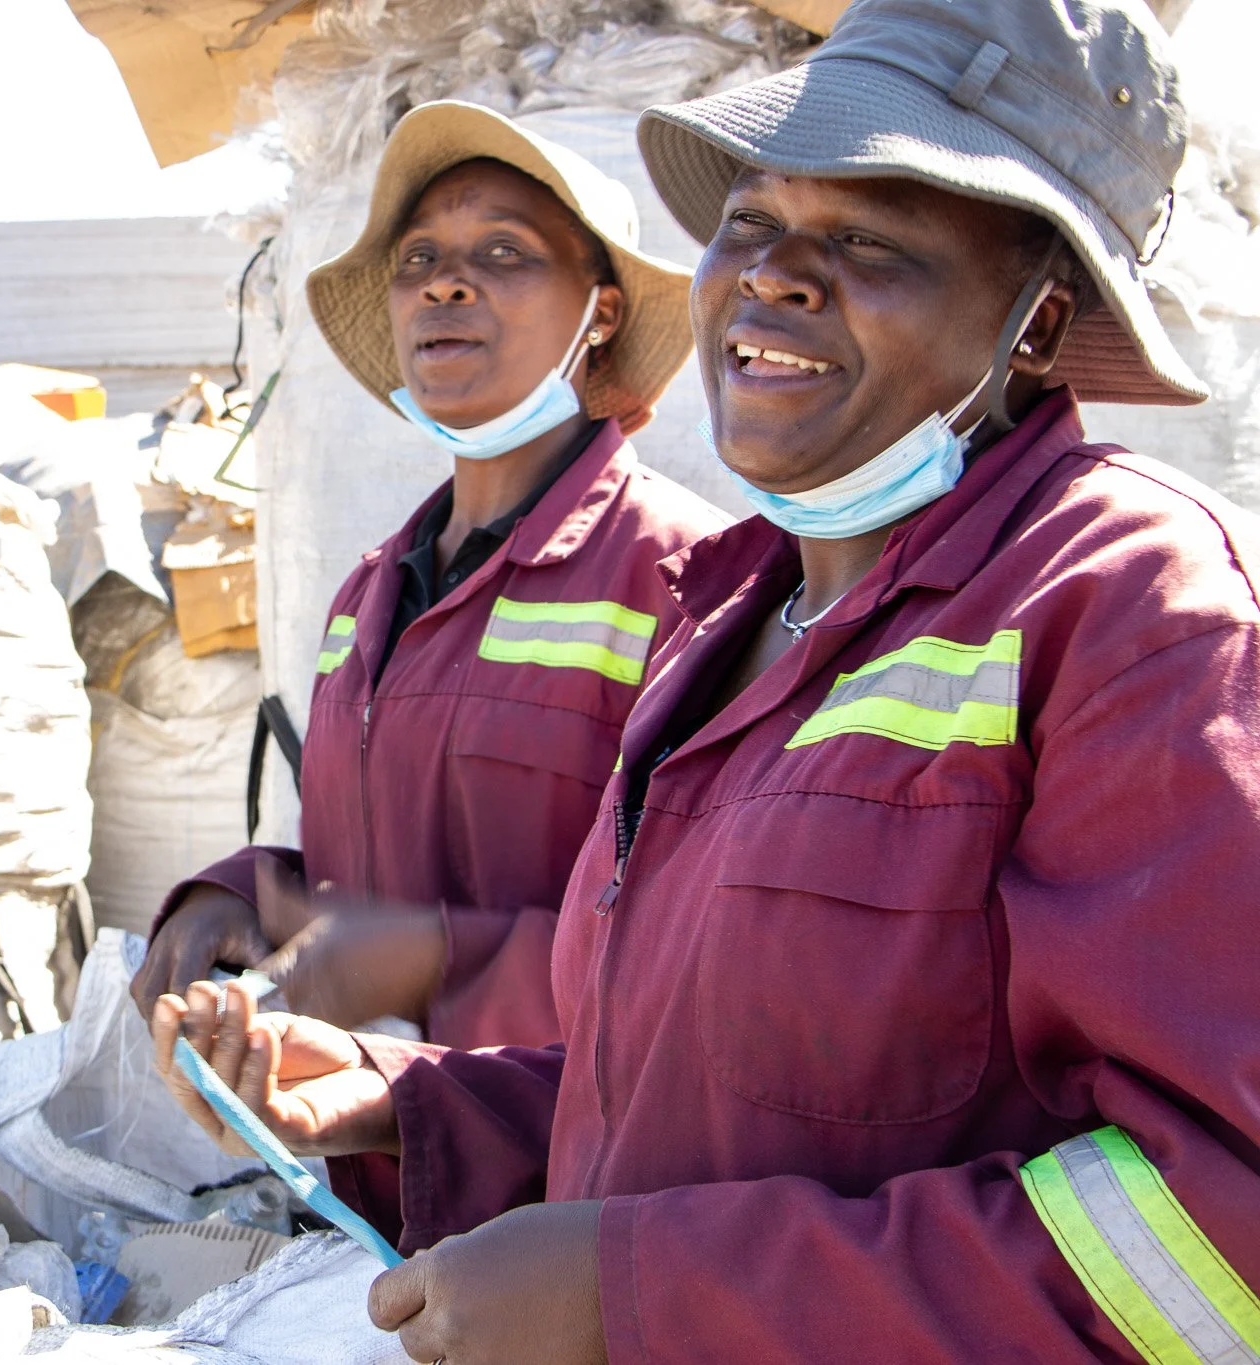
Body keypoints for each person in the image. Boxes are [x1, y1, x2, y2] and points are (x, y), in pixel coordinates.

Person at [149, 1, 1260, 1360]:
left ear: (1036, 320)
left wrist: (639, 1295)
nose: (775, 275)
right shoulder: (731, 615)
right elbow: (693, 1094)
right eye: (752, 219)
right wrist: (405, 1100)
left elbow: (1218, 1243)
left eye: (867, 237)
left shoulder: (1131, 607)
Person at [131, 102, 724, 1049]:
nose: (444, 284)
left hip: (569, 1181)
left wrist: (440, 958)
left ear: (600, 312)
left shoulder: (685, 578)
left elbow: (713, 949)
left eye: (503, 253)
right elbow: (371, 867)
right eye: (418, 259)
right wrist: (236, 895)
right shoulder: (371, 591)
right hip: (374, 1167)